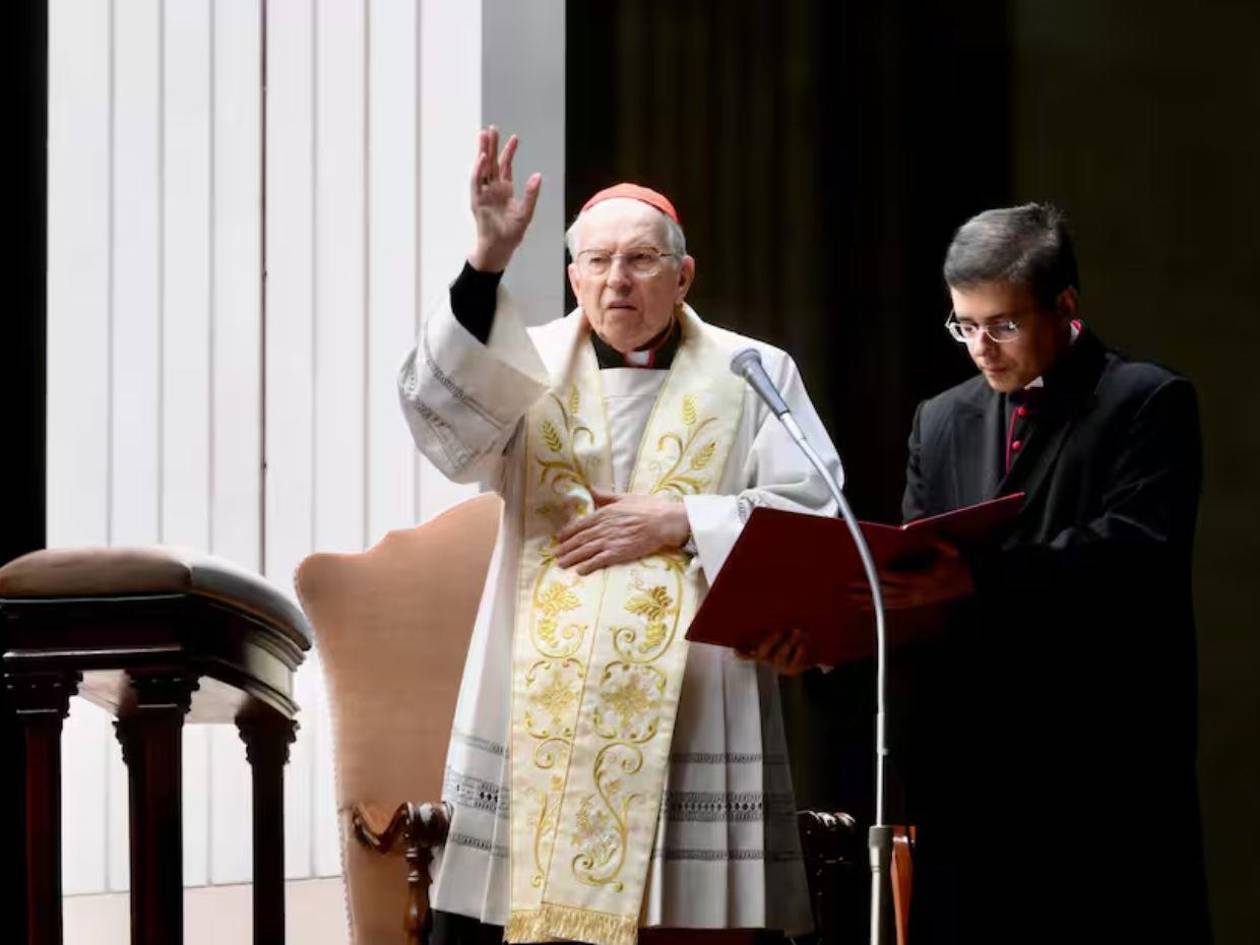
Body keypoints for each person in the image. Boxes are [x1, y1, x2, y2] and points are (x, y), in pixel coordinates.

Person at [397, 127, 837, 945]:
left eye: (639, 260)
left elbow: (817, 511)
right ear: (572, 277)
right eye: (596, 263)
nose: (617, 279)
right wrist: (486, 259)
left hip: (699, 699)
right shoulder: (522, 369)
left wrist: (683, 518)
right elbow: (440, 422)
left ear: (684, 274)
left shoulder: (754, 372)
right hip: (538, 697)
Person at [893, 204, 1210, 942]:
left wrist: (975, 578)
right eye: (963, 325)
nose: (980, 347)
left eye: (1001, 324)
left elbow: (1132, 552)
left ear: (1065, 306)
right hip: (970, 772)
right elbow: (916, 564)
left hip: (1101, 769)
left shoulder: (1146, 401)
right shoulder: (938, 420)